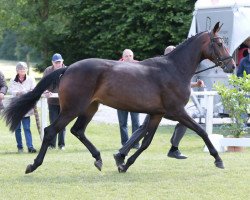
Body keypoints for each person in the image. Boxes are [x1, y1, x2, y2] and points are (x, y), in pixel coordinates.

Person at [164, 45, 205, 159]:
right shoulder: (164, 68)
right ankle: (123, 151)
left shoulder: (175, 67)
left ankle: (174, 147)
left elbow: (179, 84)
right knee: (143, 129)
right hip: (161, 105)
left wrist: (195, 84)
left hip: (172, 106)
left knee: (185, 121)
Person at [8, 62, 37, 153]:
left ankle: (30, 147)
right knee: (17, 129)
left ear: (26, 70)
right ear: (17, 71)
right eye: (20, 69)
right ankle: (20, 147)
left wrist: (24, 92)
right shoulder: (13, 80)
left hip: (26, 107)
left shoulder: (31, 79)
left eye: (24, 69)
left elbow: (33, 90)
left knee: (27, 128)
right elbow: (12, 91)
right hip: (16, 107)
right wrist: (20, 92)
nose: (22, 70)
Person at [117, 49, 140, 149]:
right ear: (123, 57)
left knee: (136, 122)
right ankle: (125, 143)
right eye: (126, 56)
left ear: (133, 56)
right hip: (120, 99)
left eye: (130, 56)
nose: (129, 58)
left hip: (135, 99)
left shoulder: (139, 65)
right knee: (123, 123)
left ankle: (135, 143)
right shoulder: (116, 66)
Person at [43, 53, 66, 150]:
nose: (58, 64)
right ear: (52, 62)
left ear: (62, 62)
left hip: (64, 101)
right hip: (52, 101)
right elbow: (43, 83)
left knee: (63, 123)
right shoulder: (48, 70)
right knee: (53, 123)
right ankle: (52, 145)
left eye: (59, 62)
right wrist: (46, 91)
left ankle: (62, 144)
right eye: (56, 62)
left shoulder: (67, 70)